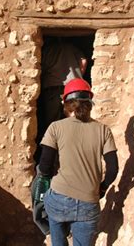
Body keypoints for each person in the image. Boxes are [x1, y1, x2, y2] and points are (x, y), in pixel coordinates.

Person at [37, 78, 119, 245]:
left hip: (59, 198)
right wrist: (101, 189)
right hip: (89, 202)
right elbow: (113, 169)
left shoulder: (55, 127)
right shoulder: (103, 130)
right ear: (89, 103)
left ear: (67, 104)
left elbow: (44, 166)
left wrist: (45, 184)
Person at [34, 37, 87, 165]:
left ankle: (49, 160)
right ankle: (70, 158)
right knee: (74, 123)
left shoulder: (48, 50)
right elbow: (84, 61)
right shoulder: (73, 48)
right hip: (73, 90)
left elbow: (40, 67)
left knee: (52, 126)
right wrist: (78, 76)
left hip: (52, 89)